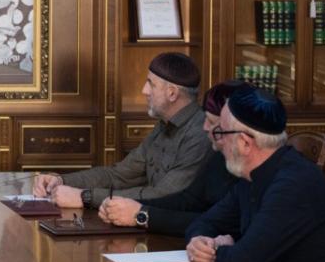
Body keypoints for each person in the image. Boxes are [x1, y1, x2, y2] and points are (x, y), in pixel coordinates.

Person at [186, 85, 325, 262]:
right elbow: (205, 222)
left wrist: (217, 248)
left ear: (245, 143)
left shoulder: (293, 185)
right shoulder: (251, 176)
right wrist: (199, 241)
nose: (218, 141)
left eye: (221, 132)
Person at [33, 52, 211, 208]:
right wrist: (61, 180)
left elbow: (164, 196)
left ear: (172, 93)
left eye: (151, 84)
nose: (144, 90)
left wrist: (85, 197)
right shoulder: (163, 125)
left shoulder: (200, 133)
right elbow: (119, 175)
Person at [98, 80, 243, 236]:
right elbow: (188, 200)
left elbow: (221, 223)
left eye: (212, 122)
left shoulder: (250, 169)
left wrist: (141, 215)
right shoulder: (220, 156)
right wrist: (126, 206)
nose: (205, 127)